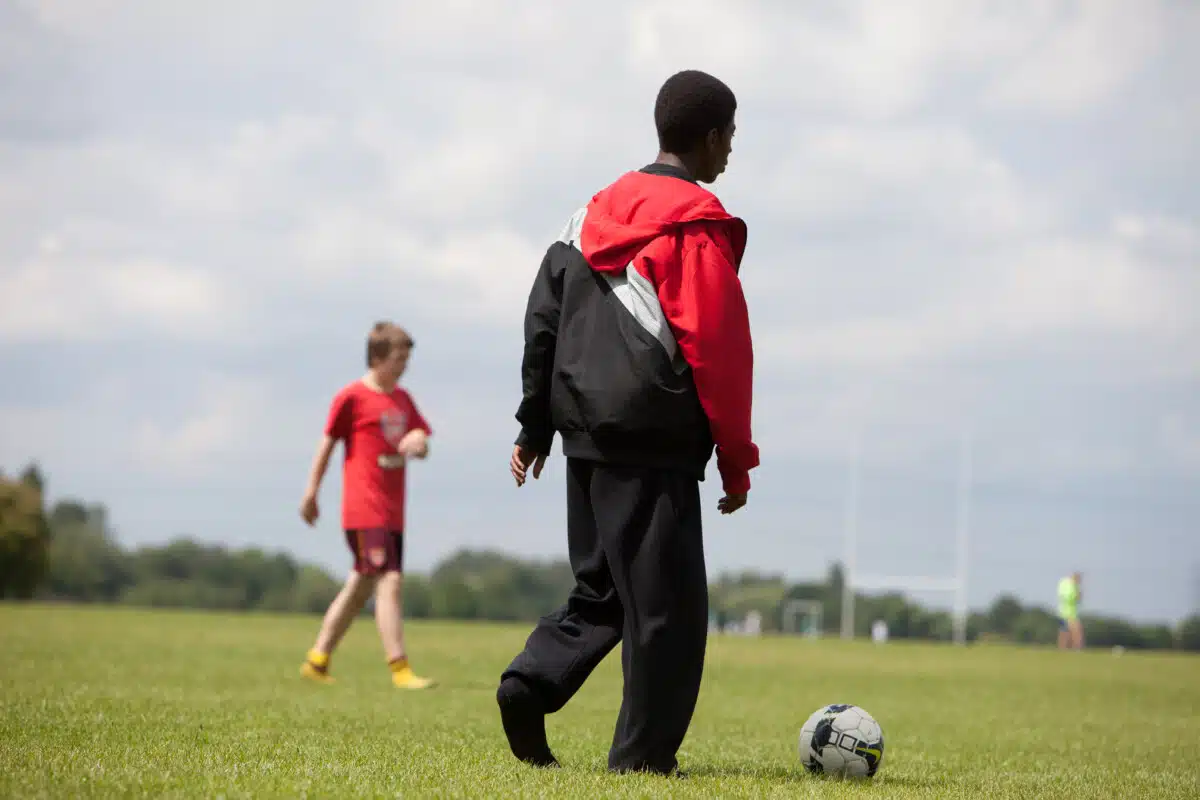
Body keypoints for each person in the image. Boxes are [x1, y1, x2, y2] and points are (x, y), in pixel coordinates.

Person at [496, 69, 759, 777]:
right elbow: (720, 351)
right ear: (710, 139)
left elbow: (542, 320)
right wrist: (737, 459)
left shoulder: (585, 217)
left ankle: (530, 683)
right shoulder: (696, 225)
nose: (730, 152)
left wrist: (536, 426)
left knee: (605, 593)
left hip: (585, 431)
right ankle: (642, 762)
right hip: (655, 438)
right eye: (729, 137)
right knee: (668, 613)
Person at [298, 321, 436, 690]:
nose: (403, 366)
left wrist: (418, 442)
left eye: (407, 359)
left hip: (394, 512)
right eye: (397, 358)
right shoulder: (351, 397)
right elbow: (326, 444)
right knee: (389, 581)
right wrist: (312, 491)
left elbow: (422, 436)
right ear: (376, 357)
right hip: (364, 509)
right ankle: (400, 668)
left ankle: (317, 659)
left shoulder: (404, 400)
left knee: (361, 585)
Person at [1057, 572, 1084, 650]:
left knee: (1064, 632)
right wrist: (1077, 596)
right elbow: (1069, 598)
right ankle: (1077, 648)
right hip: (1069, 613)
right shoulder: (1069, 586)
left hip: (1065, 612)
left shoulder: (1065, 584)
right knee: (1076, 631)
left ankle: (1064, 649)